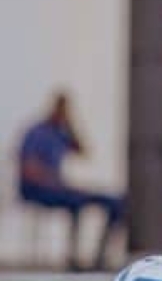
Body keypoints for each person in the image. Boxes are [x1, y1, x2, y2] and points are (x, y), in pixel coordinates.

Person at [17, 90, 124, 271]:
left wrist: (71, 126)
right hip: (36, 189)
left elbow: (82, 151)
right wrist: (55, 182)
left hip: (60, 188)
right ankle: (72, 259)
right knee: (75, 201)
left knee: (115, 202)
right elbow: (28, 169)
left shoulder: (62, 132)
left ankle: (99, 259)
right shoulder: (37, 132)